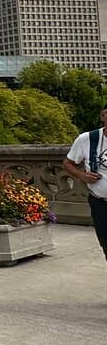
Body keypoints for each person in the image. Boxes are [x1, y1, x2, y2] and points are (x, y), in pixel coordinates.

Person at [63, 106, 107, 261]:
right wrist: (82, 175)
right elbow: (68, 163)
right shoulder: (87, 139)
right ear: (102, 116)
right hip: (100, 203)